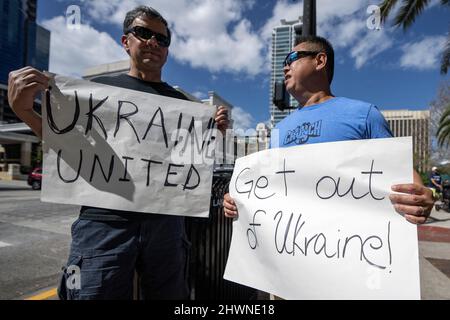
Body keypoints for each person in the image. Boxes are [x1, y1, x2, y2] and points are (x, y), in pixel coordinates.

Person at [8, 6, 229, 300]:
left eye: (162, 39)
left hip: (166, 224)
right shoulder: (96, 91)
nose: (153, 42)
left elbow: (190, 163)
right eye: (144, 33)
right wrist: (23, 111)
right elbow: (67, 145)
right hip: (104, 221)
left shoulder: (182, 104)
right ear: (126, 41)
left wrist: (213, 135)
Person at [224, 35, 434, 225]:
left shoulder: (364, 114)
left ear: (320, 61)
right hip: (289, 251)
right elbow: (269, 186)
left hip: (347, 247)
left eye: (292, 59)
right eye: (283, 63)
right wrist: (239, 201)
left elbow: (400, 171)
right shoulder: (279, 129)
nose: (285, 68)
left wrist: (421, 196)